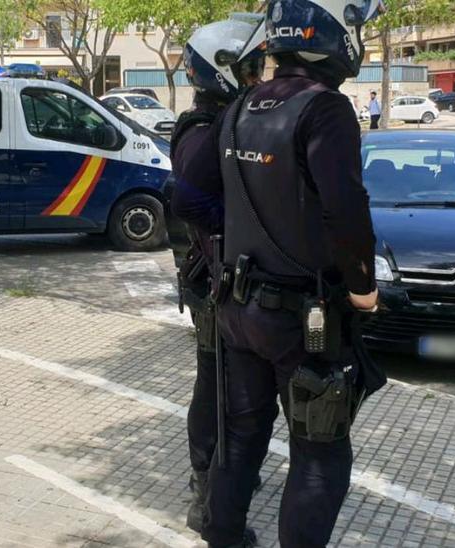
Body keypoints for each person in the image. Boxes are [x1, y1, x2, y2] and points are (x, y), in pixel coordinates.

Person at [176, 0, 386, 545]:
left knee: (241, 437)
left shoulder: (245, 102)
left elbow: (189, 191)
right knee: (319, 452)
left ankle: (223, 536)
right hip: (304, 319)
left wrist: (228, 237)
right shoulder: (326, 108)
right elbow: (346, 210)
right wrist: (363, 290)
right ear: (334, 30)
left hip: (237, 308)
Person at [163, 14, 266, 543]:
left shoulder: (231, 120)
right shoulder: (200, 127)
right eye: (250, 68)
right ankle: (206, 490)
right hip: (211, 284)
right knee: (216, 384)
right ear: (223, 71)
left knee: (231, 386)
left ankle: (224, 477)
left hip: (234, 280)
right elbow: (190, 199)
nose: (258, 78)